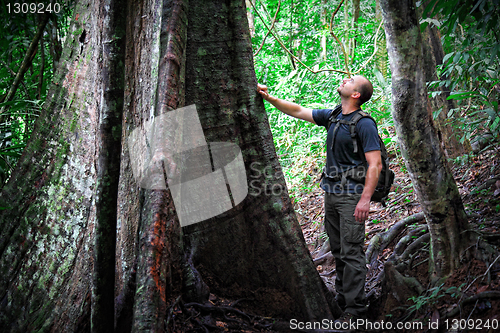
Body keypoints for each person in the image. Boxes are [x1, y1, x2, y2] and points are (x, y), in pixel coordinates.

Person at [257, 76, 382, 324]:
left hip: (352, 197)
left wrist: (365, 199)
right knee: (338, 250)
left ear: (356, 95)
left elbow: (375, 163)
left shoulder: (365, 124)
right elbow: (299, 110)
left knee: (352, 252)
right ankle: (342, 301)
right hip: (332, 194)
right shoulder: (334, 115)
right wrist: (268, 98)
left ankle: (356, 311)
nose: (346, 79)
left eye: (351, 80)